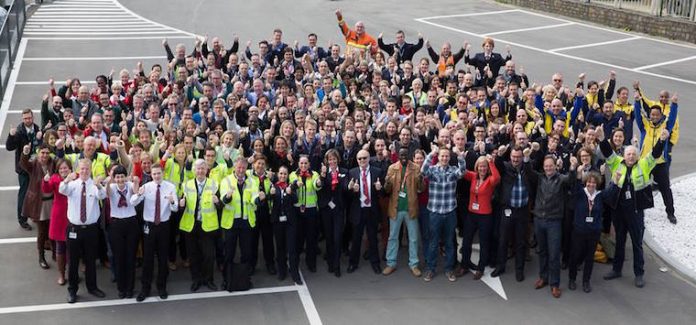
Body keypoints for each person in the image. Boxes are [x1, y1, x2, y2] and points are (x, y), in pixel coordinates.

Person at [600, 129, 669, 288]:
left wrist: (662, 140)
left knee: (637, 243)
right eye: (628, 154)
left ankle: (639, 274)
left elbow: (655, 154)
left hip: (635, 211)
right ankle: (616, 269)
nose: (630, 156)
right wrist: (603, 138)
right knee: (620, 241)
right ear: (624, 155)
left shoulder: (644, 164)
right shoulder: (617, 162)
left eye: (633, 154)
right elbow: (608, 152)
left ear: (637, 156)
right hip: (619, 210)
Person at [58, 159, 107, 303]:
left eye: (87, 169)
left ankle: (92, 287)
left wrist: (98, 185)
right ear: (78, 170)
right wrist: (67, 179)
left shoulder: (94, 186)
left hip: (91, 229)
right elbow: (62, 189)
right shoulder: (72, 185)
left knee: (90, 260)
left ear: (91, 170)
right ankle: (72, 290)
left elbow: (103, 195)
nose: (84, 171)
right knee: (73, 261)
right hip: (74, 228)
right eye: (82, 169)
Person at [530, 154, 577, 298]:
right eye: (546, 166)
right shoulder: (539, 178)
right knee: (542, 252)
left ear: (555, 166)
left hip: (554, 222)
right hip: (539, 220)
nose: (548, 168)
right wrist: (527, 158)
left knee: (554, 254)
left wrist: (573, 168)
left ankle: (555, 284)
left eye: (550, 166)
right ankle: (543, 278)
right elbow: (527, 171)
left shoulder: (561, 178)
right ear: (543, 168)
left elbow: (571, 180)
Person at [132, 164, 178, 302]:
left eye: (159, 173)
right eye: (154, 174)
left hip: (163, 226)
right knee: (148, 259)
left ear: (162, 173)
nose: (157, 176)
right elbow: (133, 202)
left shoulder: (170, 187)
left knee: (163, 258)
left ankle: (161, 287)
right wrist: (139, 194)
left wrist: (172, 202)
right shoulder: (146, 187)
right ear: (151, 175)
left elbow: (175, 208)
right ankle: (145, 289)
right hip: (149, 227)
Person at [420, 147, 466, 282]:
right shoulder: (432, 170)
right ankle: (430, 269)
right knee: (433, 243)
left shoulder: (453, 170)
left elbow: (462, 172)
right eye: (442, 156)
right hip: (434, 212)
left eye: (447, 156)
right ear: (438, 157)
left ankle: (449, 269)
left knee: (450, 243)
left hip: (450, 212)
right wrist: (431, 154)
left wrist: (459, 156)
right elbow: (423, 171)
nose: (444, 158)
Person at [569, 171, 618, 293]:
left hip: (594, 232)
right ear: (586, 182)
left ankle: (586, 281)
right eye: (589, 182)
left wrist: (616, 181)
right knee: (575, 255)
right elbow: (572, 187)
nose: (591, 184)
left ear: (597, 184)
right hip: (579, 230)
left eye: (594, 182)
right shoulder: (580, 193)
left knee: (589, 257)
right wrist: (577, 173)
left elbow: (612, 195)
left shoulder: (600, 196)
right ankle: (572, 278)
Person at [634, 91, 679, 224]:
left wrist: (675, 104)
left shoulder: (666, 127)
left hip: (660, 163)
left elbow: (672, 118)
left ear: (661, 116)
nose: (654, 117)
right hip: (645, 163)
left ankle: (670, 212)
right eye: (652, 114)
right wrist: (637, 102)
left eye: (656, 115)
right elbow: (637, 116)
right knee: (640, 187)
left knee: (665, 189)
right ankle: (638, 210)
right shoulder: (645, 127)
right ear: (650, 115)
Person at [491, 146, 533, 282]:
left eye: (518, 157)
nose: (516, 159)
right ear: (510, 157)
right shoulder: (505, 167)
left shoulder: (526, 168)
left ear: (522, 157)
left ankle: (519, 270)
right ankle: (500, 266)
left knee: (520, 242)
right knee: (503, 240)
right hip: (507, 209)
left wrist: (527, 160)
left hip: (522, 211)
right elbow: (497, 164)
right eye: (513, 157)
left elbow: (532, 174)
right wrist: (499, 155)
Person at [179, 159, 220, 292]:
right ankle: (196, 279)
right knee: (193, 255)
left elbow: (220, 206)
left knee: (209, 255)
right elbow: (180, 205)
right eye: (198, 169)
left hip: (207, 225)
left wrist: (218, 202)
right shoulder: (186, 185)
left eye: (203, 168)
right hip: (191, 225)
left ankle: (208, 279)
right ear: (194, 171)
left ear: (207, 170)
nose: (200, 171)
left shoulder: (214, 184)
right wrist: (181, 205)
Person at [383, 148, 423, 277]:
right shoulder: (392, 168)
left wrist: (421, 180)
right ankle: (391, 263)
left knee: (413, 238)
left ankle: (414, 264)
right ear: (398, 156)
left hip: (411, 208)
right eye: (401, 155)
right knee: (393, 237)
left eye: (406, 155)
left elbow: (421, 189)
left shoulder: (416, 168)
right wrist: (386, 183)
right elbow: (387, 190)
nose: (404, 157)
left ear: (409, 155)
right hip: (396, 207)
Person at [220, 158, 259, 291]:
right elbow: (223, 199)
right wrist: (228, 196)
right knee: (229, 254)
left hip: (246, 221)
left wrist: (259, 199)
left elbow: (254, 198)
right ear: (234, 168)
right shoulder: (226, 180)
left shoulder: (252, 181)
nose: (241, 170)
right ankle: (227, 279)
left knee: (246, 253)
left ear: (246, 167)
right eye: (238, 167)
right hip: (231, 222)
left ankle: (244, 279)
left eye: (243, 168)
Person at [460, 155, 500, 279]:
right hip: (472, 214)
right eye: (480, 166)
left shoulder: (490, 180)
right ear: (477, 167)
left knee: (484, 242)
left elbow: (497, 177)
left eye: (484, 166)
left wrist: (491, 163)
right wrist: (461, 158)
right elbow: (462, 171)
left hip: (485, 216)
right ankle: (464, 265)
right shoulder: (473, 176)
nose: (482, 169)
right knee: (466, 241)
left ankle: (481, 268)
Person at [347, 150, 384, 275]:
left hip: (371, 210)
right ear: (357, 160)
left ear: (369, 158)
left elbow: (383, 193)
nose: (362, 160)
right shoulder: (352, 172)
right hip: (358, 210)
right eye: (359, 158)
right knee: (356, 239)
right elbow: (348, 195)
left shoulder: (377, 172)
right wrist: (353, 190)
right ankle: (353, 263)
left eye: (364, 158)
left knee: (373, 238)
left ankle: (375, 263)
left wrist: (380, 189)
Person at [105, 165, 139, 299]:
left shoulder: (130, 185)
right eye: (117, 177)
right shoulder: (112, 187)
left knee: (131, 257)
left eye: (122, 176)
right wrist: (108, 183)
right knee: (119, 257)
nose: (120, 179)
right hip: (116, 224)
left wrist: (135, 181)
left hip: (131, 223)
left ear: (126, 176)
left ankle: (130, 288)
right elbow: (106, 194)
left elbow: (136, 194)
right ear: (114, 178)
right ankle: (121, 288)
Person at [20, 144, 55, 270]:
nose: (45, 155)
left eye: (47, 153)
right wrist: (25, 153)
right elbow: (24, 164)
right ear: (38, 153)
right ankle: (41, 257)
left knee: (53, 229)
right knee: (42, 232)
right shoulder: (33, 164)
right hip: (39, 204)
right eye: (42, 153)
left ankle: (55, 253)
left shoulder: (53, 163)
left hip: (52, 202)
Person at [6, 109, 42, 231]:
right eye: (25, 118)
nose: (27, 120)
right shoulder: (19, 131)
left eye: (29, 118)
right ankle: (22, 219)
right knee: (24, 194)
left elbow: (40, 145)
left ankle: (34, 215)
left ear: (33, 118)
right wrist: (11, 135)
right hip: (23, 169)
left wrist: (40, 138)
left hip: (35, 168)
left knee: (36, 193)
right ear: (22, 119)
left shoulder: (37, 129)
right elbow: (9, 147)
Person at [317, 149, 349, 278]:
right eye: (330, 159)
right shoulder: (323, 173)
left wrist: (350, 186)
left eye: (334, 159)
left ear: (338, 160)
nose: (332, 161)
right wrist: (322, 176)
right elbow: (320, 187)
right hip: (326, 209)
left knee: (337, 238)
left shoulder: (344, 172)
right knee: (329, 238)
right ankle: (330, 262)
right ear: (327, 161)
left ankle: (336, 265)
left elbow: (345, 187)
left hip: (338, 209)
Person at [289, 155, 323, 273]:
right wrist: (295, 184)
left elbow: (317, 185)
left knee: (311, 238)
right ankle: (295, 261)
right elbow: (291, 186)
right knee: (298, 237)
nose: (303, 166)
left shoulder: (314, 174)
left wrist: (318, 183)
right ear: (298, 164)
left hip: (311, 209)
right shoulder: (293, 174)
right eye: (301, 163)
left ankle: (311, 263)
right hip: (297, 210)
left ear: (309, 164)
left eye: (306, 163)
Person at [42, 159, 72, 285]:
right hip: (59, 214)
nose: (63, 170)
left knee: (72, 248)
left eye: (66, 168)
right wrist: (45, 180)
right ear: (58, 170)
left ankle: (72, 273)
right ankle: (61, 274)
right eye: (61, 169)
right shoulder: (54, 178)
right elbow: (47, 189)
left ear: (70, 168)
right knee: (60, 247)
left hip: (72, 214)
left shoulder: (75, 178)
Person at [270, 165, 300, 283]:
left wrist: (291, 192)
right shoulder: (274, 187)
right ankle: (282, 271)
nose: (283, 176)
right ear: (278, 175)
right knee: (280, 247)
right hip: (278, 222)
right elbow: (269, 199)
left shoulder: (290, 187)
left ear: (288, 176)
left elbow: (296, 200)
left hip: (290, 222)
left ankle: (294, 272)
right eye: (281, 173)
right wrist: (271, 194)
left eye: (285, 174)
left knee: (291, 248)